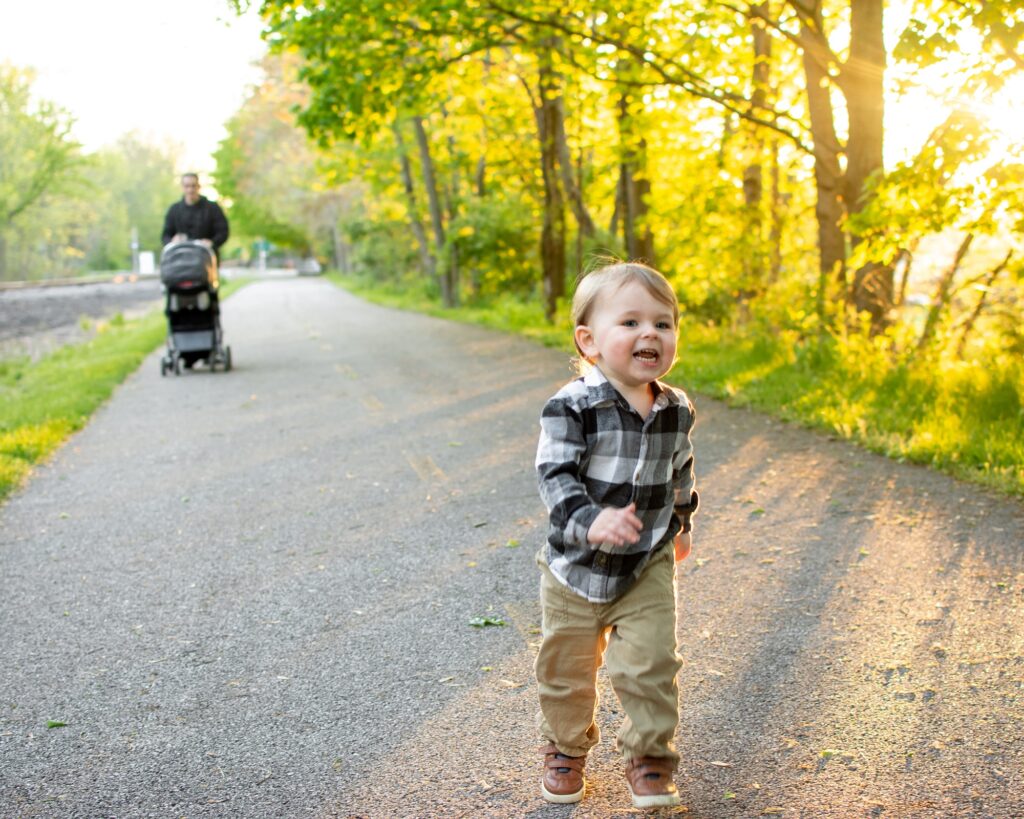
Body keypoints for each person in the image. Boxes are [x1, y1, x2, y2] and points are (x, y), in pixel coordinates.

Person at [534, 261, 698, 808]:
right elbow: (554, 475)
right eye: (629, 322)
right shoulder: (572, 406)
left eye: (663, 323)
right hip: (575, 567)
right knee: (566, 671)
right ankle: (565, 747)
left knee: (652, 662)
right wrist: (589, 518)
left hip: (645, 561)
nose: (649, 333)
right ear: (590, 341)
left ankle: (650, 756)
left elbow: (680, 470)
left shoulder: (675, 410)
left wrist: (681, 522)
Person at [161, 173, 229, 260]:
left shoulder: (212, 208)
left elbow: (223, 232)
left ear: (198, 186)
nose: (190, 190)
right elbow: (165, 235)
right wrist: (172, 241)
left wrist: (212, 242)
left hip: (206, 260)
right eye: (187, 186)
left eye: (193, 186)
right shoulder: (174, 210)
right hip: (180, 261)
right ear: (182, 187)